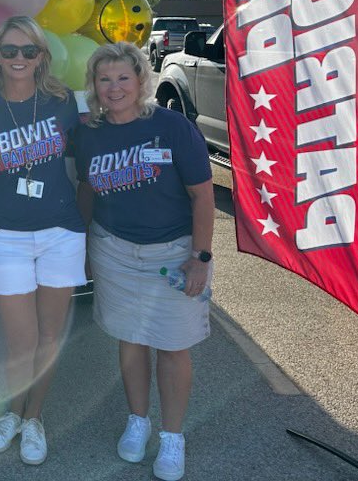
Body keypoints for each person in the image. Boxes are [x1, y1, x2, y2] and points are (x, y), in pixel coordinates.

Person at [74, 41, 213, 481]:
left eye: (123, 78)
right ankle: (138, 420)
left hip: (173, 251)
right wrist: (83, 247)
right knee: (130, 339)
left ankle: (172, 438)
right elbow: (86, 189)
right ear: (94, 86)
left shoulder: (171, 127)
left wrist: (200, 257)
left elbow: (203, 194)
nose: (114, 88)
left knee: (172, 345)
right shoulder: (90, 132)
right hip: (112, 248)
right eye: (104, 79)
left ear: (140, 80)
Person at [0, 15, 87, 466]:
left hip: (60, 231)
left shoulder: (64, 103)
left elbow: (107, 133)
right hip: (6, 233)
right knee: (21, 339)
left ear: (42, 57)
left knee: (49, 335)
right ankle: (12, 414)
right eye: (10, 50)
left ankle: (32, 418)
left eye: (28, 50)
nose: (19, 58)